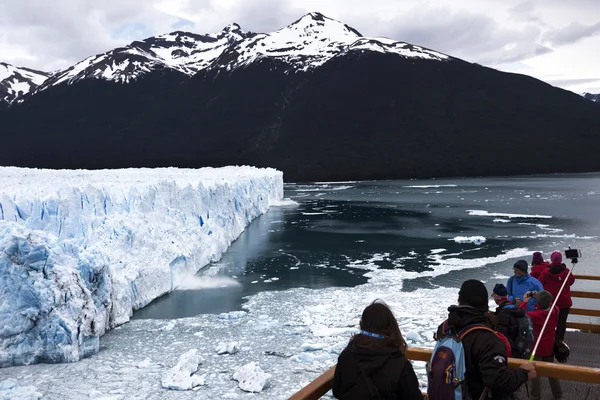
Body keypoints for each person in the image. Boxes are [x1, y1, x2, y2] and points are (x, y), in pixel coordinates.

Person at [435, 280, 536, 400]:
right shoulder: (486, 338)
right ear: (485, 303)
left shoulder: (445, 327)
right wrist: (523, 373)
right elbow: (498, 380)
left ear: (459, 299)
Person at [332, 300, 422, 399]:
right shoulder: (399, 364)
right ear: (391, 327)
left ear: (362, 324)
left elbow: (337, 391)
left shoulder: (347, 356)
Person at [520, 290, 562, 400]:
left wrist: (524, 302)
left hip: (536, 348)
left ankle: (535, 397)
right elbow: (552, 305)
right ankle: (558, 395)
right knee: (551, 372)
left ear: (537, 303)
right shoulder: (555, 311)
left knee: (535, 375)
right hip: (549, 347)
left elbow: (520, 314)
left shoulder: (533, 315)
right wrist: (540, 296)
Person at [539, 251, 575, 342]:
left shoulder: (546, 272)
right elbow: (571, 281)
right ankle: (559, 340)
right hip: (564, 301)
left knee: (548, 321)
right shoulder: (566, 271)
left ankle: (549, 339)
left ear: (551, 259)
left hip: (550, 302)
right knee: (561, 322)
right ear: (561, 260)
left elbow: (540, 283)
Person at [491, 283, 528, 358]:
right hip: (520, 347)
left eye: (492, 295)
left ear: (496, 297)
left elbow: (502, 337)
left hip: (511, 352)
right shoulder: (516, 309)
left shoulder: (503, 315)